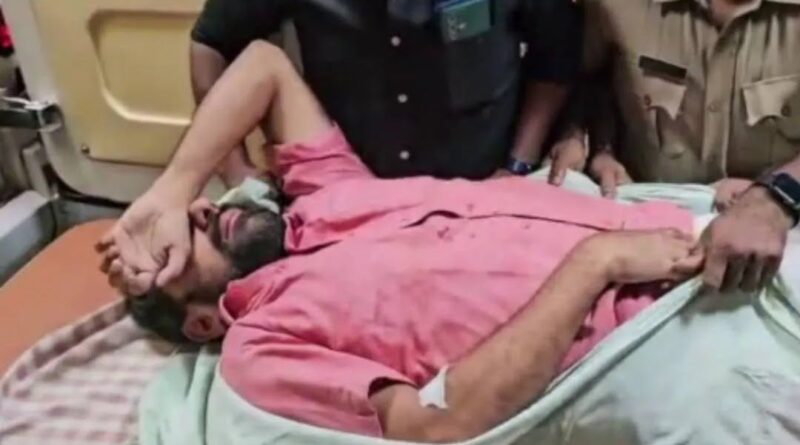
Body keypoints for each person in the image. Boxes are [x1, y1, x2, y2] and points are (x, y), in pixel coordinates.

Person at [110, 40, 704, 442]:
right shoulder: (263, 344)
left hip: (685, 231)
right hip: (661, 326)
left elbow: (266, 66)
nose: (200, 212)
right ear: (201, 324)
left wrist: (169, 192)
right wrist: (596, 264)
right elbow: (432, 425)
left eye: (183, 215)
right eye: (170, 248)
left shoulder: (321, 199)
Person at [546, 0, 800, 293]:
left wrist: (772, 199)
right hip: (638, 226)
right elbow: (592, 76)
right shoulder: (613, 6)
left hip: (779, 236)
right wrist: (600, 145)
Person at [190, 0, 582, 181]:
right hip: (349, 200)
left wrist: (518, 165)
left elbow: (556, 58)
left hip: (481, 192)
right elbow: (211, 42)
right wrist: (234, 169)